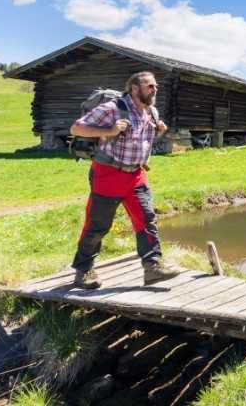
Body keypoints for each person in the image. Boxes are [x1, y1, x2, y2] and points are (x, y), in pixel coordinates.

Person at [70, 71, 183, 289]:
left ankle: (153, 268)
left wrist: (159, 130)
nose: (154, 89)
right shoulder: (113, 109)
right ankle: (83, 271)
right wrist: (110, 130)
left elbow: (140, 139)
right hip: (108, 174)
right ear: (134, 88)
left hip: (137, 175)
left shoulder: (152, 111)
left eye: (155, 86)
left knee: (147, 219)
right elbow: (76, 128)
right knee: (97, 226)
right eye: (149, 85)